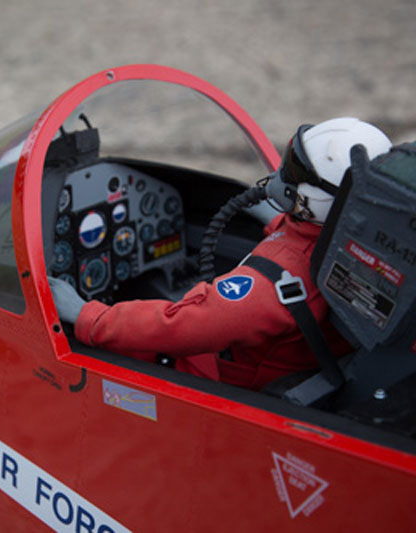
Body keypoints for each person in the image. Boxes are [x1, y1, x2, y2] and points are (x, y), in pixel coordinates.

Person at [50, 117, 393, 390]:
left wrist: (87, 316)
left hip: (230, 377)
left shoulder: (267, 286)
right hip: (299, 356)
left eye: (295, 169)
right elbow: (313, 248)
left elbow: (183, 327)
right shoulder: (373, 241)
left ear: (314, 199)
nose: (283, 172)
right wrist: (279, 223)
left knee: (120, 346)